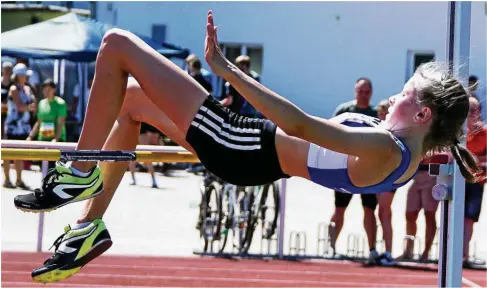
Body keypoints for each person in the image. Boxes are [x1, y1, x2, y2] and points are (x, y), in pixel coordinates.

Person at [14, 11, 481, 283]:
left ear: (422, 116)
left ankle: (79, 169)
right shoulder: (409, 152)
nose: (395, 95)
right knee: (133, 102)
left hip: (241, 143)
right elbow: (436, 144)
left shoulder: (385, 146)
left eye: (405, 93)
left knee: (116, 45)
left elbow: (299, 123)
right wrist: (463, 149)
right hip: (246, 151)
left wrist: (226, 69)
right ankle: (87, 229)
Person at [328, 78, 381, 264]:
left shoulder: (376, 114)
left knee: (369, 210)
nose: (364, 95)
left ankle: (372, 250)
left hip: (368, 171)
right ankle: (331, 247)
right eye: (361, 91)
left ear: (371, 93)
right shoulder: (344, 111)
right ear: (355, 91)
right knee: (339, 208)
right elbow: (328, 132)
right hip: (344, 169)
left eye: (367, 92)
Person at [3, 63, 36, 190]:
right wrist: (29, 107)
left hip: (23, 126)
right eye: (23, 75)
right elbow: (20, 106)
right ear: (18, 76)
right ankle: (6, 179)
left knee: (20, 154)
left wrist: (32, 106)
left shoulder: (27, 89)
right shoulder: (13, 89)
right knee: (8, 153)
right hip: (13, 126)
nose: (26, 77)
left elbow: (31, 105)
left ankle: (18, 179)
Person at [463, 96, 486, 267]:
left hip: (476, 181)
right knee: (452, 217)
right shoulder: (455, 132)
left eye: (474, 110)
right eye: (468, 109)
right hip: (456, 181)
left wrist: (475, 159)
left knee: (469, 219)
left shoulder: (485, 133)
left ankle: (464, 255)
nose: (471, 113)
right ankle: (451, 253)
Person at [374, 99, 397, 265]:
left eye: (385, 112)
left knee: (384, 211)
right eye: (380, 112)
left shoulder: (395, 129)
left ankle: (389, 252)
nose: (383, 115)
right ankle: (384, 250)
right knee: (381, 213)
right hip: (376, 174)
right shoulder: (376, 127)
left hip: (390, 176)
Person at [26, 79, 67, 169]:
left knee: (54, 168)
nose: (46, 92)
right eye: (44, 89)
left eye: (49, 89)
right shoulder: (41, 103)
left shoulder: (61, 103)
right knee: (43, 168)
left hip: (57, 141)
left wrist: (56, 139)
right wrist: (31, 136)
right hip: (43, 139)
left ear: (54, 90)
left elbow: (61, 123)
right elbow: (39, 122)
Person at [128, 122, 160, 188]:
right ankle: (153, 180)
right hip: (139, 133)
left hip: (140, 134)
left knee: (143, 159)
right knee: (134, 159)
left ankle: (152, 180)